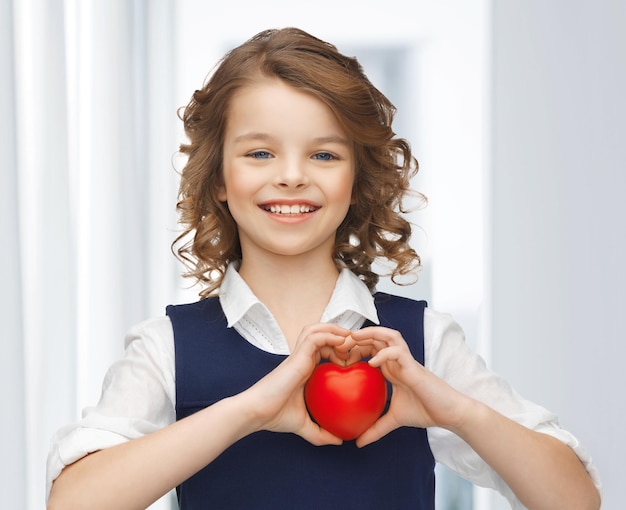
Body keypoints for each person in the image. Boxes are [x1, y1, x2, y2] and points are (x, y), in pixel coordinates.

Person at [46, 27, 601, 509]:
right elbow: (72, 503)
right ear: (218, 177)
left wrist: (456, 411)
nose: (291, 176)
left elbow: (575, 500)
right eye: (260, 153)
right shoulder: (165, 349)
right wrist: (248, 411)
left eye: (324, 154)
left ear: (356, 180)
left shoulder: (422, 344)